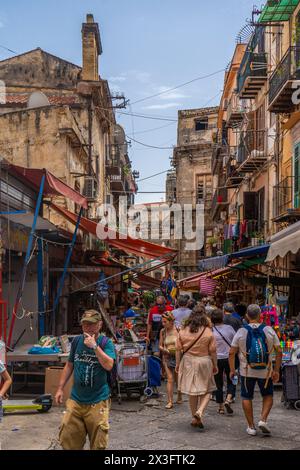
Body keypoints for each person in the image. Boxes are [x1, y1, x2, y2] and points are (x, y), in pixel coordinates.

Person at [55, 310, 116, 450]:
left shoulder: (106, 343)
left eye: (91, 324)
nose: (87, 328)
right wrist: (60, 388)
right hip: (76, 400)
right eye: (85, 325)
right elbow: (69, 365)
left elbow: (109, 365)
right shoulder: (76, 341)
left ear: (99, 325)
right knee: (67, 438)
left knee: (98, 443)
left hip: (98, 401)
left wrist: (94, 347)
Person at [229, 304, 282, 437]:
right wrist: (276, 370)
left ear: (247, 316)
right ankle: (263, 420)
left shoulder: (241, 331)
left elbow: (231, 352)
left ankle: (251, 426)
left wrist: (232, 370)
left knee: (247, 396)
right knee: (268, 395)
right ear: (260, 315)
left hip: (246, 371)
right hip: (266, 371)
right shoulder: (269, 330)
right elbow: (279, 351)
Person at [176, 306, 217, 429]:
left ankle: (194, 417)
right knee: (208, 389)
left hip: (187, 361)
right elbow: (213, 351)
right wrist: (215, 364)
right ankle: (199, 412)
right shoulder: (208, 332)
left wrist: (178, 364)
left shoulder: (183, 330)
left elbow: (178, 349)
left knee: (191, 391)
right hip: (204, 361)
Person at [211, 308, 236, 415]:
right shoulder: (229, 328)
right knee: (232, 379)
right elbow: (236, 342)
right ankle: (228, 398)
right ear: (222, 318)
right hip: (229, 358)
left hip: (216, 359)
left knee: (218, 383)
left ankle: (220, 407)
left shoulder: (211, 331)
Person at [159, 311, 182, 409]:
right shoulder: (162, 331)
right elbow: (160, 345)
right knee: (170, 379)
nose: (163, 324)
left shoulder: (178, 330)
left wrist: (178, 349)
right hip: (167, 357)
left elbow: (183, 344)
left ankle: (179, 395)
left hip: (177, 357)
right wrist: (164, 350)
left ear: (171, 321)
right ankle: (170, 401)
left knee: (177, 379)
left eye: (165, 322)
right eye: (162, 322)